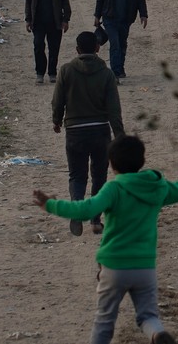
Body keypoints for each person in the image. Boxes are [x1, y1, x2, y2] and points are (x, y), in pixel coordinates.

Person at [32, 137, 178, 344]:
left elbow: (85, 210)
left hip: (114, 266)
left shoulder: (114, 188)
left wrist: (51, 205)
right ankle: (158, 335)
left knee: (104, 321)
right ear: (142, 161)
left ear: (111, 163)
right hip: (145, 267)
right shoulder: (157, 187)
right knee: (148, 317)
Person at [52, 30, 124, 236]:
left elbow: (58, 101)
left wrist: (57, 121)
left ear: (76, 49)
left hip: (74, 132)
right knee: (99, 176)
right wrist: (119, 134)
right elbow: (114, 109)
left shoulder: (66, 71)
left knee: (77, 175)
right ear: (98, 48)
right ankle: (95, 220)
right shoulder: (107, 74)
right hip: (100, 131)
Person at [94, 0, 148, 80]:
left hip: (126, 18)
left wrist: (143, 14)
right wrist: (97, 16)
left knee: (122, 43)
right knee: (115, 44)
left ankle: (120, 68)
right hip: (109, 18)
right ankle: (115, 72)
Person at [25, 0, 71, 83]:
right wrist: (28, 20)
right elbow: (28, 2)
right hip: (38, 22)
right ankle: (40, 72)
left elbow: (65, 1)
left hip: (55, 22)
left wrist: (66, 19)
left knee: (54, 48)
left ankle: (52, 73)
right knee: (38, 46)